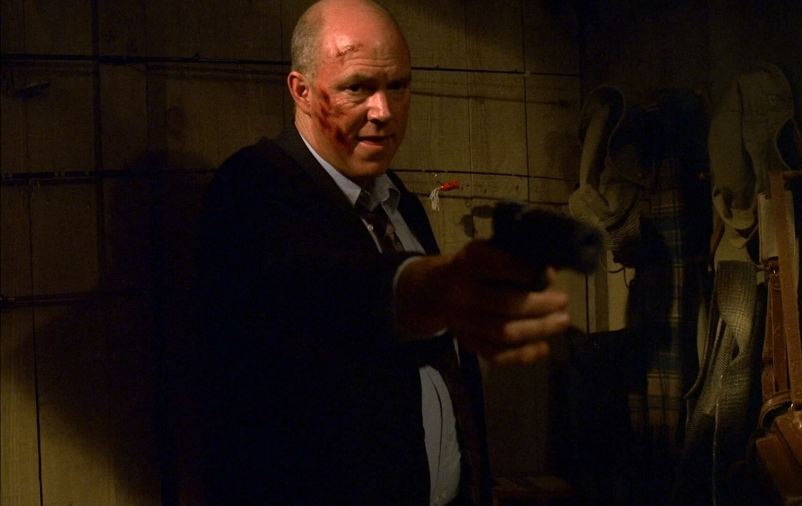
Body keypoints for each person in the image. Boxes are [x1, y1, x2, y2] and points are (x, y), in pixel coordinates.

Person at [198, 0, 571, 504]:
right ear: (301, 91)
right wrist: (425, 289)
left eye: (398, 86)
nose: (384, 111)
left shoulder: (398, 201)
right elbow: (329, 297)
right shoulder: (255, 189)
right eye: (357, 88)